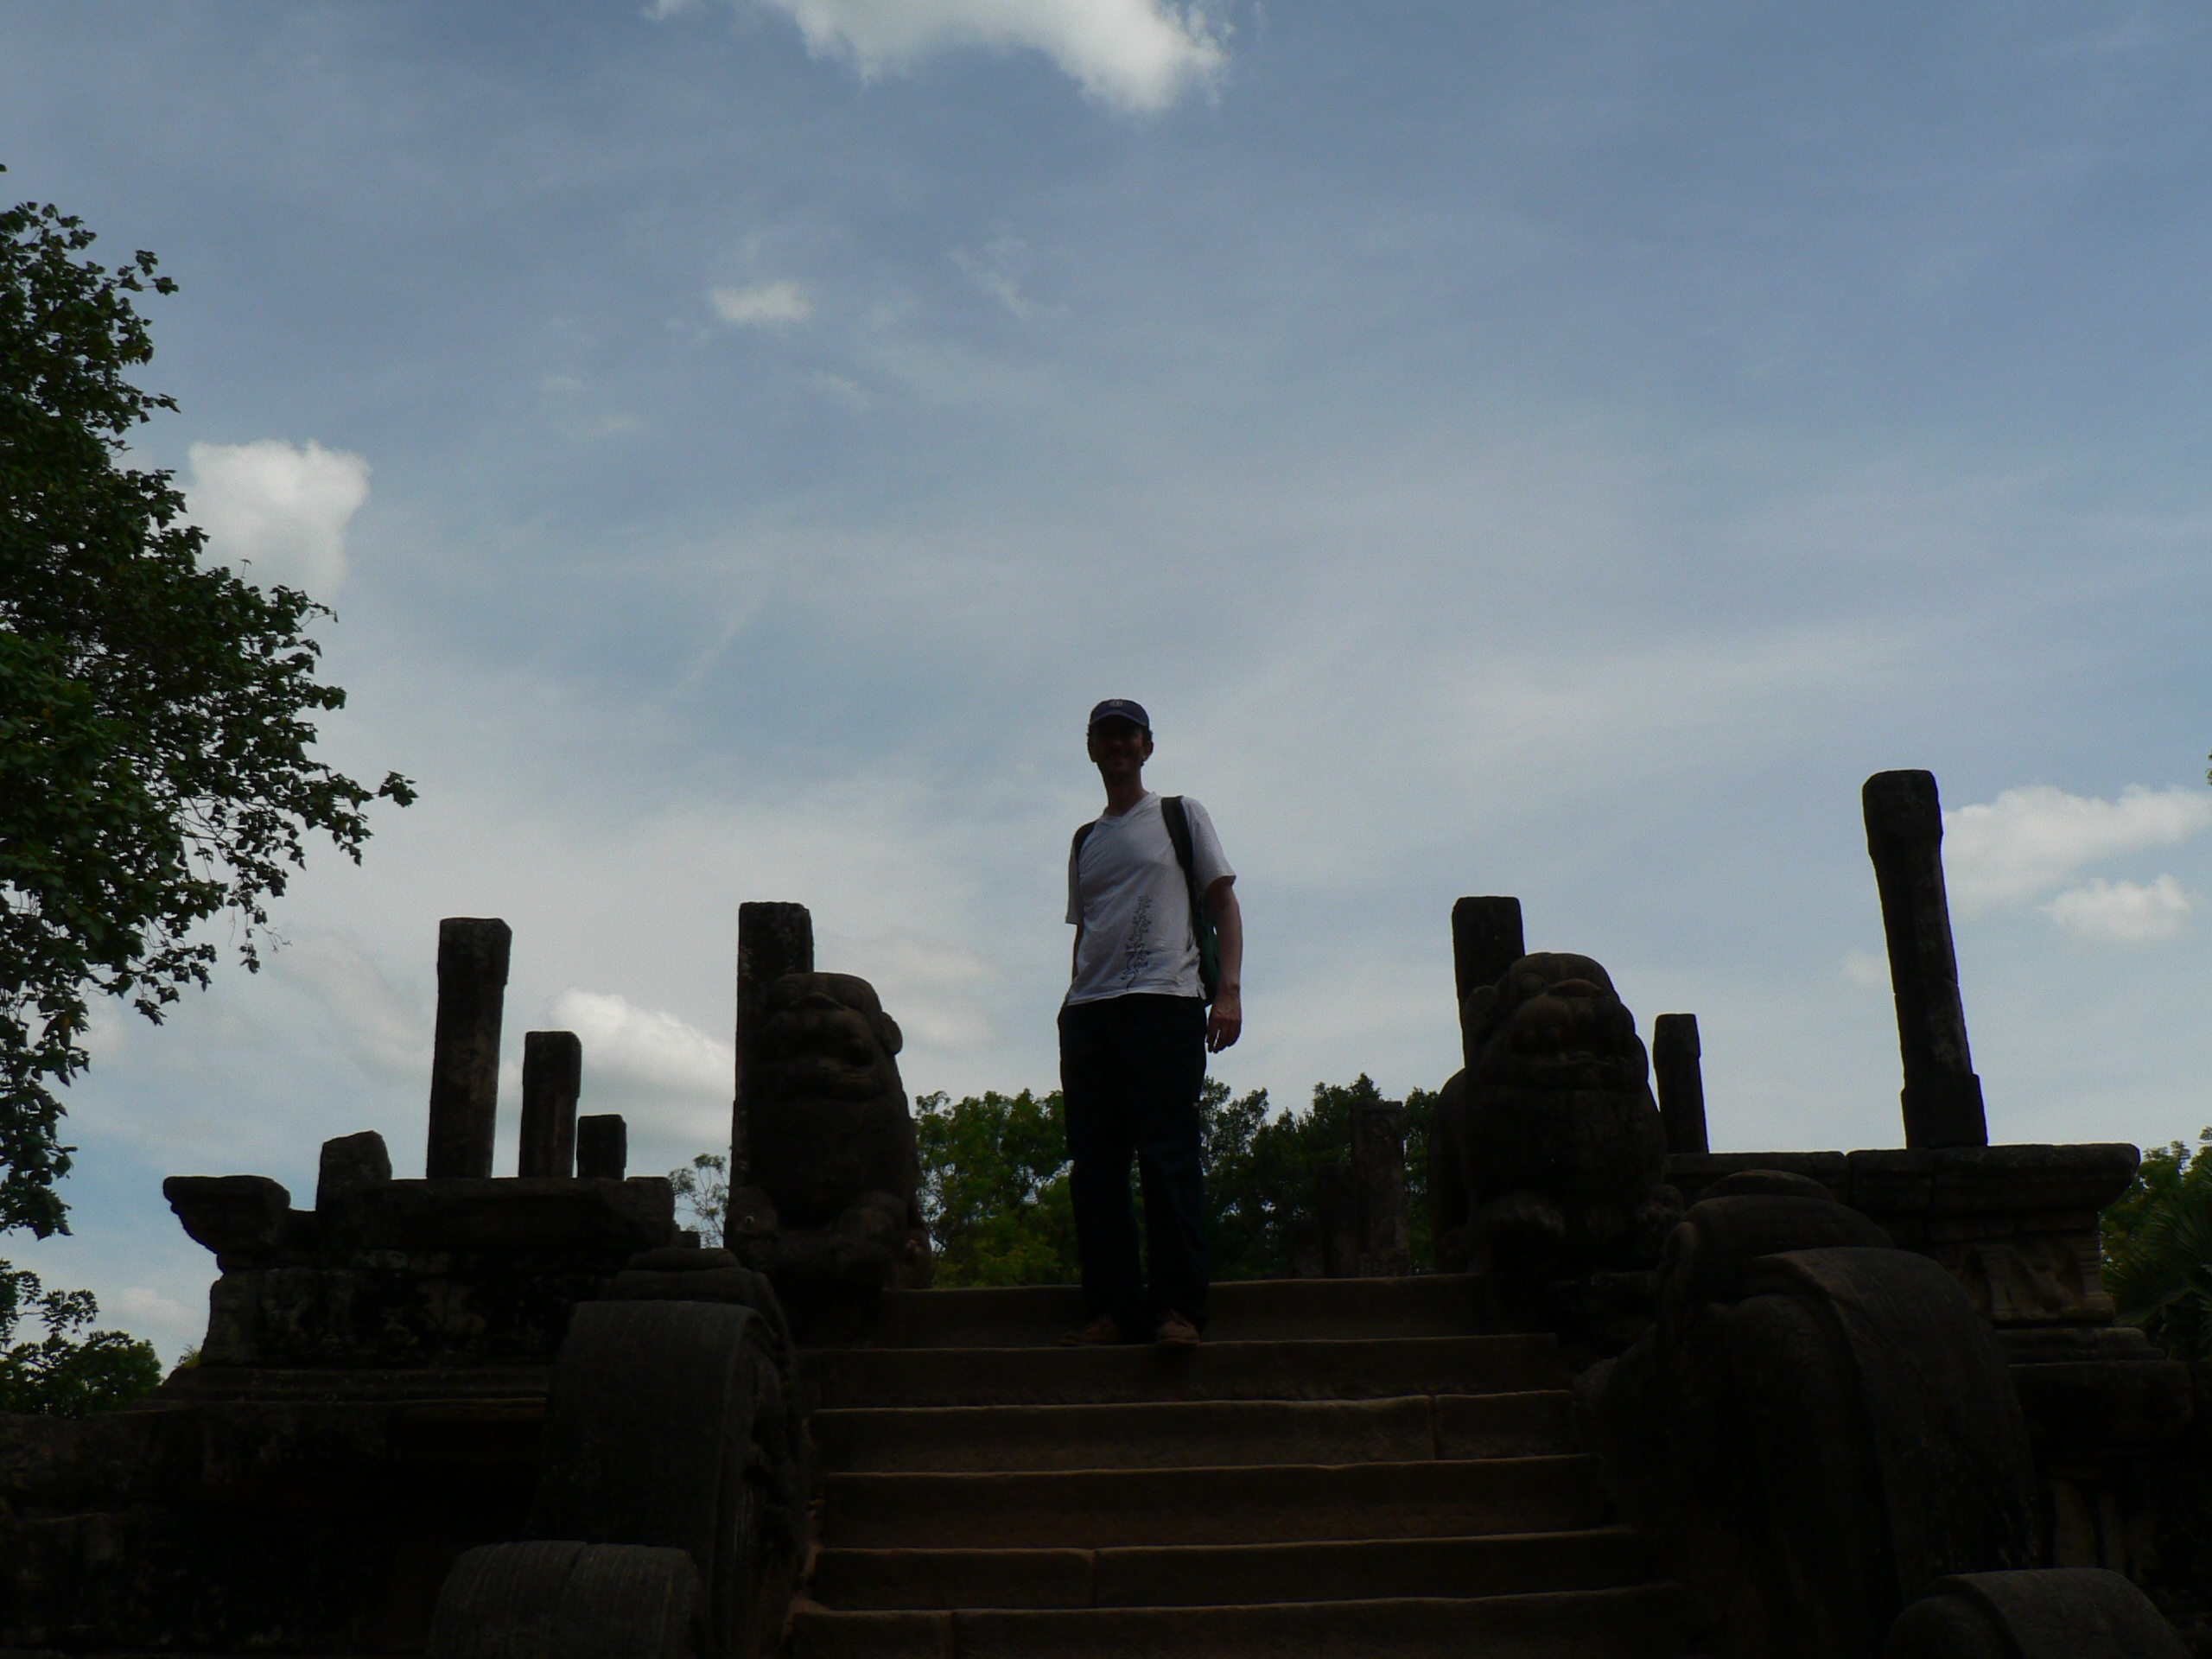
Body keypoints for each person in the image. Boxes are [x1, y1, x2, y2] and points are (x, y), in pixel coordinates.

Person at [1058, 698, 1243, 1348]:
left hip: (1164, 998)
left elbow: (1223, 903)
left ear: (1146, 746)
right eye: (1105, 735)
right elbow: (1087, 929)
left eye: (1127, 735)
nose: (1117, 745)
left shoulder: (1179, 815)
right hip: (1090, 1010)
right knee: (1096, 1165)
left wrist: (1228, 992)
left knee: (1168, 1157)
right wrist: (1072, 1004)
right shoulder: (1086, 840)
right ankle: (1113, 1308)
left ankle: (1177, 1310)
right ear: (1091, 748)